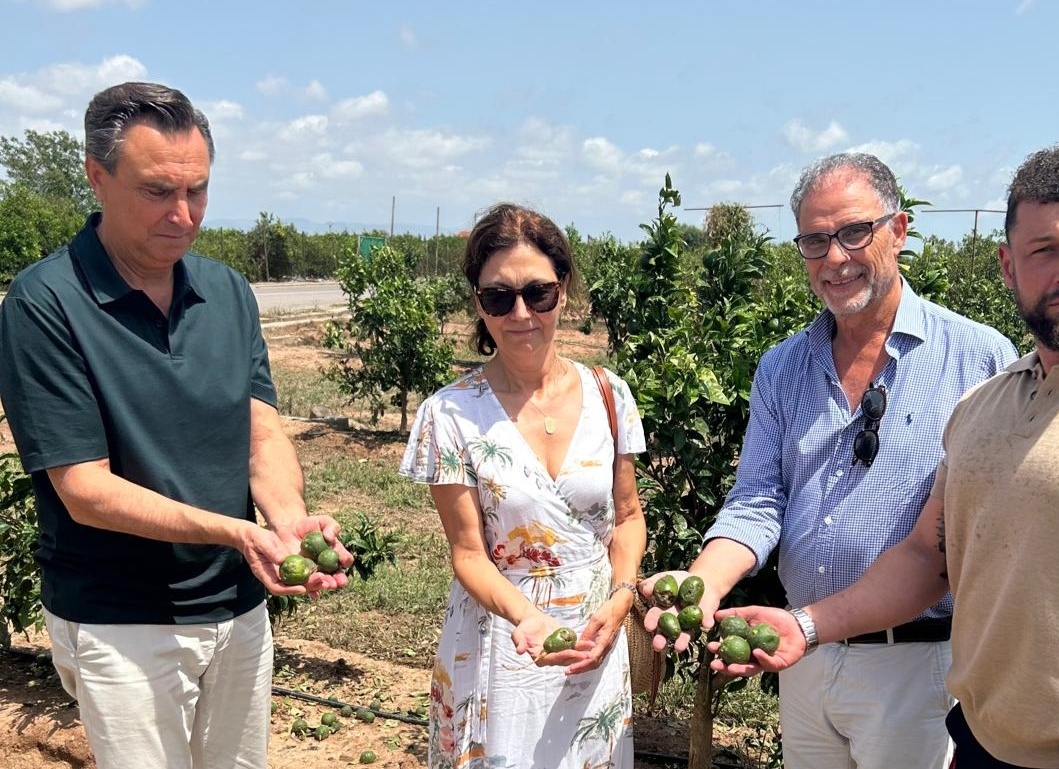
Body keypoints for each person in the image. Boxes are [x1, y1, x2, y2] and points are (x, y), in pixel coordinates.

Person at [718, 143, 1059, 769]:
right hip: (980, 744)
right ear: (1008, 265)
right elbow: (927, 556)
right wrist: (804, 626)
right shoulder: (985, 405)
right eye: (1043, 251)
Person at [0, 81, 352, 769]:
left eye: (198, 191)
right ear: (97, 177)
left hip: (238, 606)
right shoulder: (46, 303)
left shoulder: (224, 292)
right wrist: (237, 532)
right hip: (121, 618)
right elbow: (84, 488)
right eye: (159, 191)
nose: (183, 214)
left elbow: (261, 430)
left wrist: (287, 521)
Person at [644, 152, 1018, 769]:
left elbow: (982, 530)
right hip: (803, 656)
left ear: (898, 231)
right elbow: (758, 500)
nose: (835, 258)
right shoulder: (783, 367)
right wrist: (703, 581)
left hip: (918, 663)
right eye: (815, 241)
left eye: (853, 232)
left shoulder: (976, 358)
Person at [400, 202, 646, 768]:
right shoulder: (451, 415)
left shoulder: (611, 396)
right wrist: (526, 617)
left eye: (537, 293)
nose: (520, 313)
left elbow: (628, 519)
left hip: (594, 635)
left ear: (564, 291)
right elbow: (468, 554)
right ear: (478, 304)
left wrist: (622, 594)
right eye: (498, 297)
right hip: (500, 642)